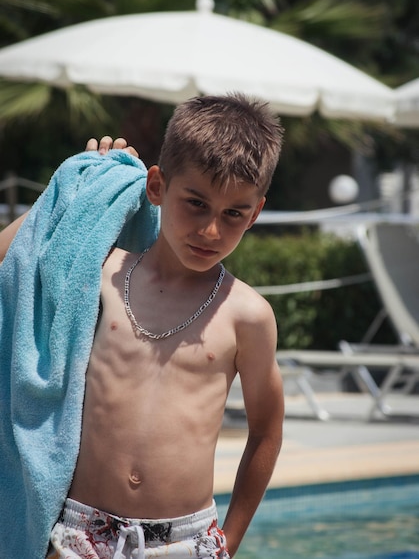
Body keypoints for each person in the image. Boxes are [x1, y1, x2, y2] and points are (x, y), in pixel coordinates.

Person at [0, 93, 285, 559]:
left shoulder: (246, 316)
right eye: (195, 203)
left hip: (186, 539)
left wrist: (228, 539)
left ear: (254, 214)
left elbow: (267, 429)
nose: (211, 230)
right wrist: (77, 189)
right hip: (78, 533)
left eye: (233, 213)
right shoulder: (100, 275)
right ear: (157, 187)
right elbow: (16, 257)